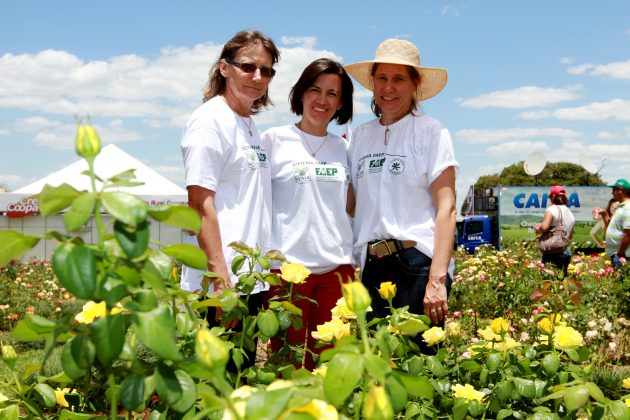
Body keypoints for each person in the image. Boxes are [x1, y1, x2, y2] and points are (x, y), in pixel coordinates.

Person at [344, 38, 458, 348]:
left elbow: (447, 207)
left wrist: (437, 280)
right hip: (371, 265)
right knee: (378, 368)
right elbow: (352, 204)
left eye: (399, 79)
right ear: (372, 82)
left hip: (416, 264)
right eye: (382, 78)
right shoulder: (361, 137)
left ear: (415, 84)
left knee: (419, 365)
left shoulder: (430, 131)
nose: (388, 87)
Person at [180, 30, 280, 365]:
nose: (257, 76)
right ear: (224, 68)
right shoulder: (211, 121)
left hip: (247, 279)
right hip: (220, 285)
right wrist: (220, 279)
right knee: (215, 384)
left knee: (241, 376)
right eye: (248, 66)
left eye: (266, 70)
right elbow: (199, 203)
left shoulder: (248, 124)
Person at [261, 58, 355, 370]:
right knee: (285, 365)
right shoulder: (273, 140)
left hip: (336, 271)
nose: (322, 100)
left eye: (332, 94)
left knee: (327, 365)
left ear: (341, 103)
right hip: (287, 273)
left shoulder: (345, 148)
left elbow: (351, 206)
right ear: (300, 93)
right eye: (315, 90)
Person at [534, 186, 575, 276]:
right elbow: (571, 235)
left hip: (554, 253)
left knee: (549, 281)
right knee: (562, 280)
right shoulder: (570, 213)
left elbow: (544, 228)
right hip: (566, 251)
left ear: (552, 196)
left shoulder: (551, 210)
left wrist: (537, 228)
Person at [605, 179, 630, 268]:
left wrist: (620, 253)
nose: (612, 193)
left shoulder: (628, 207)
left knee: (622, 281)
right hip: (618, 254)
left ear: (620, 190)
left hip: (623, 255)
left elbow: (628, 234)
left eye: (614, 190)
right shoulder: (621, 206)